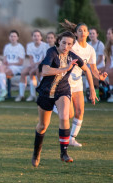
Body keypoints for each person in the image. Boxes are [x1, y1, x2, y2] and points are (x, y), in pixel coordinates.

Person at [31, 31, 97, 167]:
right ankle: (36, 152)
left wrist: (92, 89)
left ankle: (64, 153)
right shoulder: (52, 52)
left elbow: (87, 69)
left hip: (63, 90)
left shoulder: (72, 56)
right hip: (46, 91)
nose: (66, 46)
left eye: (69, 44)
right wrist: (65, 68)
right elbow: (45, 70)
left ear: (72, 45)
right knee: (43, 126)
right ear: (58, 42)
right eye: (64, 43)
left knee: (64, 116)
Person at [60, 20, 108, 147]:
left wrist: (100, 77)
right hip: (66, 82)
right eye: (80, 31)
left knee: (80, 111)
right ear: (75, 34)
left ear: (88, 33)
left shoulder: (91, 50)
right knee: (69, 114)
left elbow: (93, 70)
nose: (83, 33)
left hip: (78, 82)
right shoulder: (72, 46)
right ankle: (54, 104)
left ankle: (71, 138)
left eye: (85, 31)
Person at [15, 30, 48, 102]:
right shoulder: (29, 45)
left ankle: (36, 94)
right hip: (33, 65)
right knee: (23, 72)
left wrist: (36, 66)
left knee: (32, 72)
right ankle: (21, 95)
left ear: (41, 37)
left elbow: (44, 59)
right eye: (34, 36)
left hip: (42, 65)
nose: (36, 37)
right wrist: (33, 65)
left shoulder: (44, 45)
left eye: (38, 36)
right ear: (32, 37)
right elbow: (31, 58)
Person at [0, 30, 25, 102]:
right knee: (0, 69)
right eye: (11, 36)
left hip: (16, 67)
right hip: (7, 67)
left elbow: (20, 62)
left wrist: (9, 64)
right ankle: (3, 92)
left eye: (14, 36)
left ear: (17, 38)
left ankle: (1, 94)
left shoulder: (20, 47)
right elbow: (5, 60)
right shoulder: (7, 47)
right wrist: (3, 61)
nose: (13, 38)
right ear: (9, 37)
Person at [104, 27, 113, 102]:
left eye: (109, 33)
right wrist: (106, 69)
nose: (107, 35)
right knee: (107, 73)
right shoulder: (109, 46)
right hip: (111, 65)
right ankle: (111, 94)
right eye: (107, 33)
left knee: (110, 73)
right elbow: (108, 60)